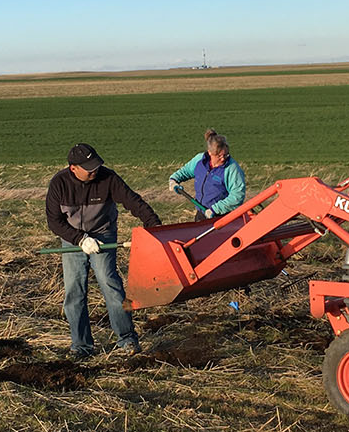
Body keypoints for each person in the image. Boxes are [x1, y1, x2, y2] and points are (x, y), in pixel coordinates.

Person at [45, 143, 162, 359]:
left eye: (96, 165)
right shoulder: (59, 184)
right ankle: (81, 346)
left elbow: (132, 200)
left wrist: (154, 225)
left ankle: (127, 339)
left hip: (103, 234)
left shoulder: (108, 178)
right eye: (88, 168)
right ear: (73, 168)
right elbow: (54, 221)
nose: (94, 170)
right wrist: (79, 239)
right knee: (74, 290)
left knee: (110, 284)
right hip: (72, 239)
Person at [168, 128, 247, 220]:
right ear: (210, 153)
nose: (223, 159)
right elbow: (184, 172)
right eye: (219, 156)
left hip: (221, 217)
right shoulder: (199, 160)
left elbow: (237, 196)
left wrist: (215, 209)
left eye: (225, 155)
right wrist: (174, 180)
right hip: (201, 214)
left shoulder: (232, 168)